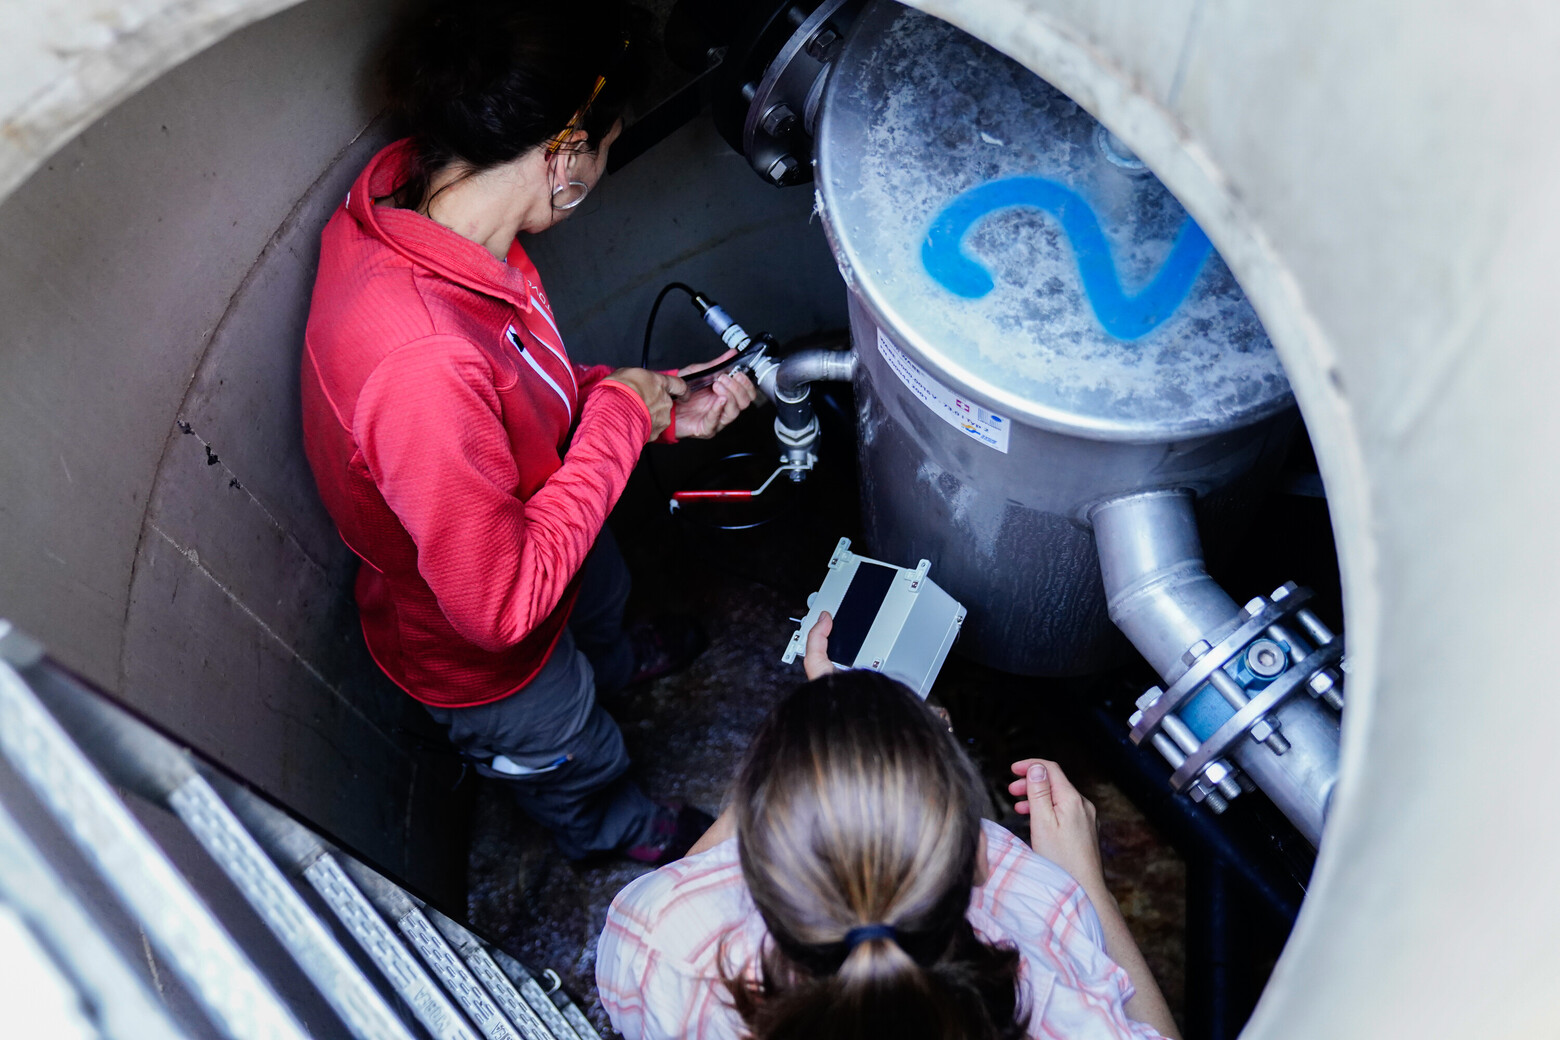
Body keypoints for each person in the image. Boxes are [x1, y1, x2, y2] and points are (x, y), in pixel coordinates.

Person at [300, 0, 756, 866]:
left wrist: (647, 406)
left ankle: (613, 662)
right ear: (566, 149)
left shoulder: (428, 219)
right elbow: (501, 607)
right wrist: (621, 416)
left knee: (603, 600)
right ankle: (615, 828)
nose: (604, 167)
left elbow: (508, 398)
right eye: (606, 145)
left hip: (546, 528)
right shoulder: (419, 363)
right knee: (572, 748)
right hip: (492, 660)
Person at [596, 615, 1181, 1039]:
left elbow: (685, 888)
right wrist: (1086, 885)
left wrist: (825, 754)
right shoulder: (1045, 911)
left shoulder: (666, 941)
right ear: (978, 860)